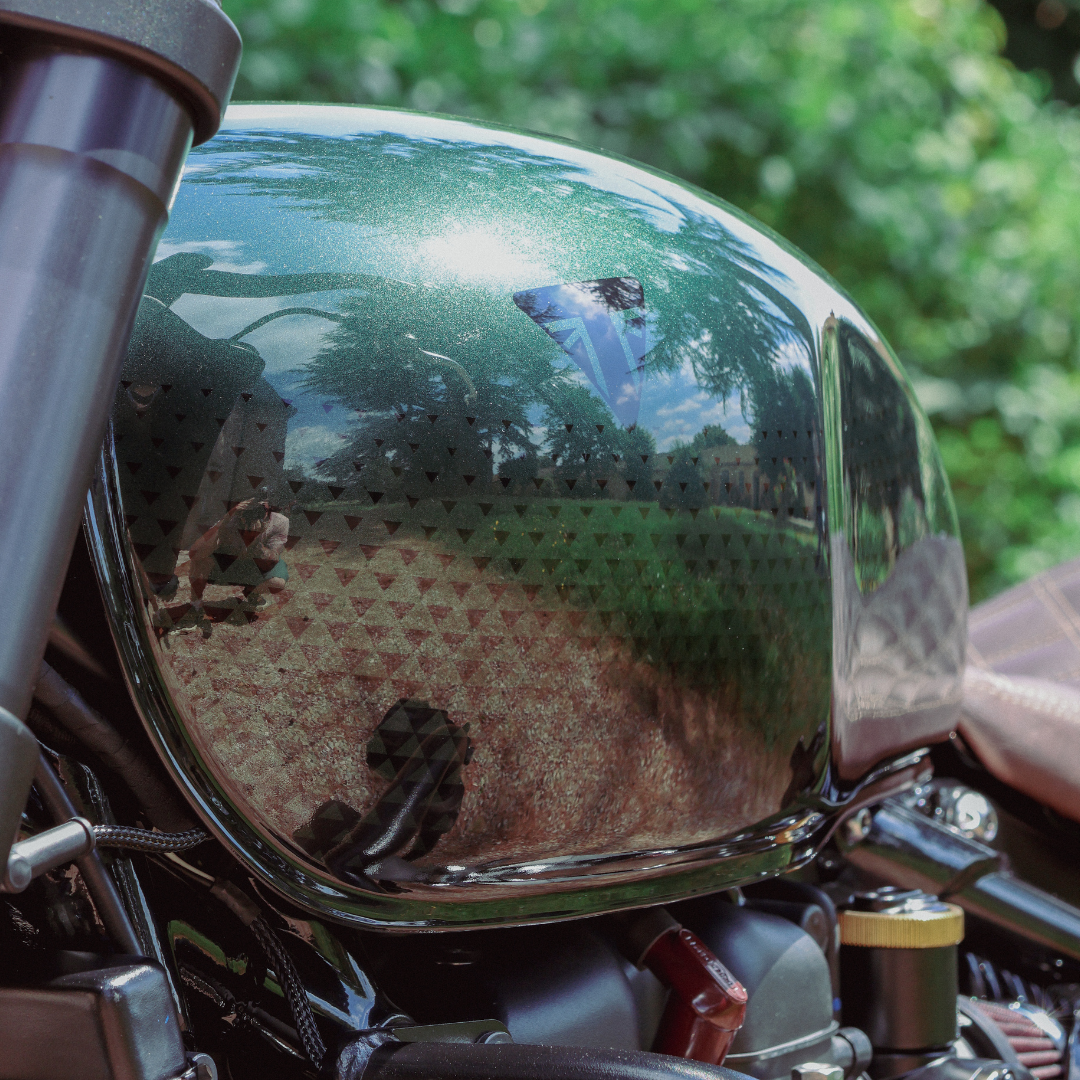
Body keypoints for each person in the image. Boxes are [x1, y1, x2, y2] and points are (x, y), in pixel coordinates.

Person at [188, 498, 290, 613]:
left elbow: (271, 562)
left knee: (277, 582)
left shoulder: (280, 522)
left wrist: (254, 541)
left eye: (261, 509)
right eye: (249, 509)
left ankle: (252, 592)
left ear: (269, 509)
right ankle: (195, 605)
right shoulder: (231, 518)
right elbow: (194, 553)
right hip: (228, 562)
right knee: (200, 559)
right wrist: (226, 519)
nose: (253, 514)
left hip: (254, 565)